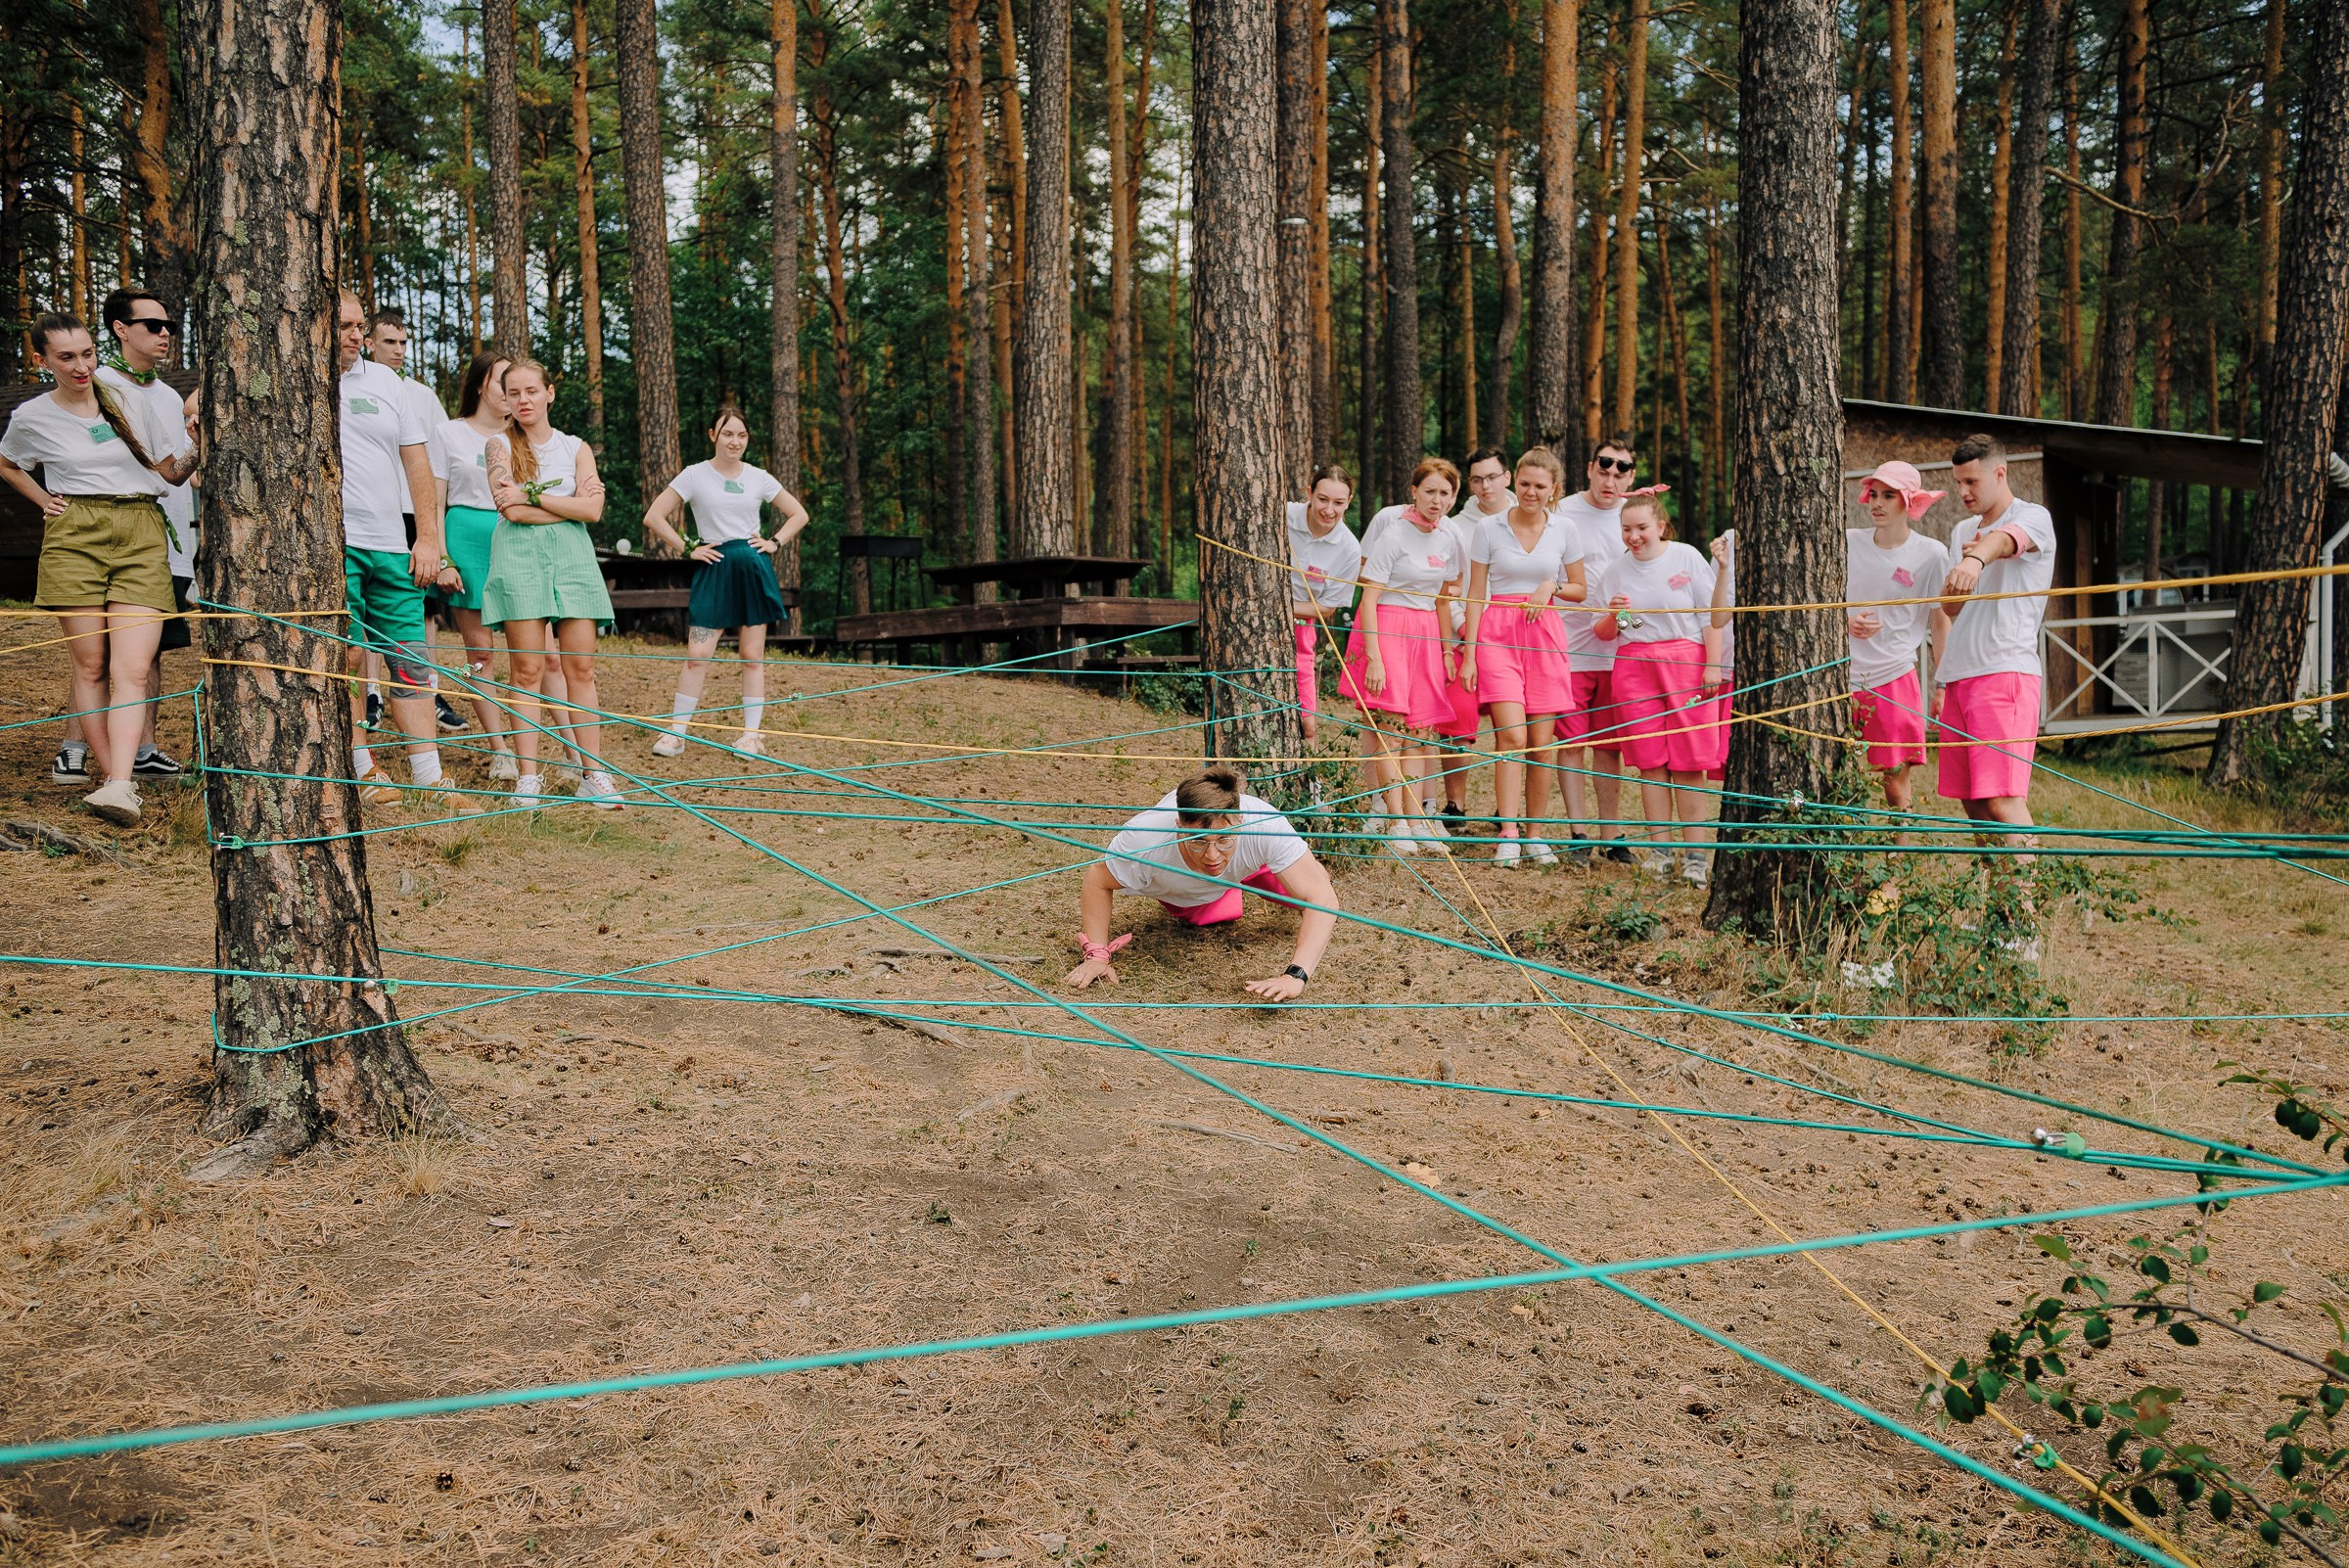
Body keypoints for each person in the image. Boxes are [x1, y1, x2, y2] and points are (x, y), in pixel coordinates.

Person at [0, 312, 198, 825]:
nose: (82, 366)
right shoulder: (31, 417)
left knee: (130, 668)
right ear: (40, 360)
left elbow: (171, 473)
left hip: (139, 526)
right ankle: (117, 783)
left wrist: (199, 440)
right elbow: (7, 462)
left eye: (87, 353)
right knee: (89, 666)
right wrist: (42, 498)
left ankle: (119, 783)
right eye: (66, 357)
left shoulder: (127, 399)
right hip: (76, 532)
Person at [334, 290, 477, 817]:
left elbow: (417, 462)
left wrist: (428, 539)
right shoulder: (298, 377)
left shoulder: (387, 382)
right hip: (334, 545)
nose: (354, 335)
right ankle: (361, 765)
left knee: (411, 661)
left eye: (358, 326)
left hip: (393, 543)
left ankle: (429, 774)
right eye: (344, 325)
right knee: (346, 657)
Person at [1064, 764, 1341, 1002]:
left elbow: (1323, 898)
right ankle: (1225, 895)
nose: (1212, 856)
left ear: (1241, 822)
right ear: (1178, 826)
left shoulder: (1264, 824)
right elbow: (1097, 880)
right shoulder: (1144, 842)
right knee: (1214, 914)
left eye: (1223, 839)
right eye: (1197, 841)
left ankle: (1242, 880)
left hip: (1253, 867)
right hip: (1187, 891)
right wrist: (1097, 956)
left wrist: (1296, 976)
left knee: (1309, 889)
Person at [482, 357, 622, 808]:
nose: (523, 400)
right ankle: (528, 779)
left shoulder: (575, 446)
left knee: (580, 669)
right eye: (514, 393)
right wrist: (567, 503)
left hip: (573, 561)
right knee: (527, 670)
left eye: (531, 391)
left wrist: (534, 494)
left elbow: (594, 512)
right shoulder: (497, 445)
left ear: (549, 394)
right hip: (519, 558)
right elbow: (512, 510)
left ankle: (592, 774)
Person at [641, 405, 811, 759]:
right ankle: (676, 732)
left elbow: (799, 513)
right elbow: (654, 516)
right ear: (713, 435)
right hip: (714, 566)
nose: (735, 441)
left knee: (752, 656)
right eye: (728, 433)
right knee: (697, 655)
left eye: (742, 435)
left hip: (752, 568)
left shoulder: (759, 476)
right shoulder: (694, 475)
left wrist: (774, 542)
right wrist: (688, 547)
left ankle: (751, 736)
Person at [1459, 446, 1587, 866]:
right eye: (1526, 483)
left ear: (1554, 490)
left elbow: (1580, 589)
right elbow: (1476, 593)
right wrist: (1470, 653)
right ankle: (1509, 833)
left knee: (1541, 743)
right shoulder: (1489, 528)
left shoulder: (1565, 529)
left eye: (1541, 486)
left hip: (1545, 635)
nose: (1531, 492)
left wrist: (1550, 586)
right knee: (1511, 737)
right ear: (1515, 480)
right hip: (1498, 634)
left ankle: (1535, 834)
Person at [1593, 490, 1724, 887]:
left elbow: (1710, 617)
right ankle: (1661, 851)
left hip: (1686, 664)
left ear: (1661, 527)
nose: (1634, 536)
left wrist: (1712, 666)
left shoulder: (1685, 557)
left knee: (1688, 761)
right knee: (1650, 761)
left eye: (1642, 528)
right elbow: (1604, 632)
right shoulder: (1615, 571)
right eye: (1626, 529)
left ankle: (1696, 856)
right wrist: (1617, 615)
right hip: (1634, 667)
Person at [94, 287, 196, 783]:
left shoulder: (170, 395)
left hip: (172, 544)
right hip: (121, 539)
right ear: (120, 329)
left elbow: (179, 471)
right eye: (153, 325)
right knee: (100, 651)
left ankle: (145, 750)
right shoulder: (101, 386)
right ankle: (76, 747)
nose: (165, 334)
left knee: (147, 652)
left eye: (169, 327)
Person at [1937, 432, 2056, 851]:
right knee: (1974, 803)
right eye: (1958, 482)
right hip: (1960, 674)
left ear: (2000, 473)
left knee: (2003, 800)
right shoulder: (1961, 530)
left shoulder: (2033, 516)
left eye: (1971, 481)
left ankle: (2024, 910)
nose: (1963, 491)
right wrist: (1957, 583)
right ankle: (1998, 908)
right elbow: (1952, 610)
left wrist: (1976, 557)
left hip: (2004, 672)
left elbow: (2006, 540)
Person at [1346, 457, 1466, 854]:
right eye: (1429, 491)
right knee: (1390, 730)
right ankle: (1394, 819)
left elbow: (1444, 598)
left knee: (1419, 732)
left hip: (1427, 633)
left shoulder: (1448, 538)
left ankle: (1417, 819)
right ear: (1414, 491)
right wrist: (1376, 657)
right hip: (1388, 628)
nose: (1437, 500)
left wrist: (1448, 649)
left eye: (1445, 493)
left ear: (1454, 497)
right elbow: (1370, 598)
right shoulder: (1393, 535)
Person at [363, 308, 465, 736]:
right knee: (367, 604)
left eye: (404, 343)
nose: (399, 350)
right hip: (371, 513)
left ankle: (428, 686)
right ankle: (370, 692)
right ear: (368, 343)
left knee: (420, 609)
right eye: (390, 342)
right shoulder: (354, 386)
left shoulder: (422, 395)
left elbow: (441, 455)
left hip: (413, 514)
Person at [426, 350, 522, 779]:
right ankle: (500, 748)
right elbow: (434, 498)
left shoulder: (523, 436)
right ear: (482, 385)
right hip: (465, 537)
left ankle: (534, 743)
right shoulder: (448, 433)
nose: (512, 393)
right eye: (504, 383)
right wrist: (443, 557)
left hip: (516, 538)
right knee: (480, 652)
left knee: (535, 652)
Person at [1847, 461, 1953, 845]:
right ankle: (1843, 854)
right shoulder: (1847, 541)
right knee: (1835, 770)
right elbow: (1824, 600)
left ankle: (1899, 857)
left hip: (1893, 675)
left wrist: (1943, 683)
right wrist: (1846, 622)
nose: (1876, 503)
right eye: (1873, 494)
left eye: (1888, 496)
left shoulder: (1931, 554)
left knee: (1894, 777)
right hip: (1840, 674)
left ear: (1909, 501)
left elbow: (1940, 622)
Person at [1554, 435, 1638, 861]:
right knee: (1569, 742)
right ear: (1589, 468)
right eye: (1603, 469)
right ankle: (1577, 834)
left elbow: (1643, 581)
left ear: (1631, 478)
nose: (1610, 479)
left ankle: (1613, 836)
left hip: (1618, 650)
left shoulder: (1635, 518)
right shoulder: (1563, 510)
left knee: (1609, 746)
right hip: (1567, 646)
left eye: (1620, 471)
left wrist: (1631, 624)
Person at [1283, 464, 1362, 746]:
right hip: (1259, 626)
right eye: (1323, 499)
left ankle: (1310, 786)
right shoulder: (1282, 515)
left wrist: (1277, 608)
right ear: (1309, 493)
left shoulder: (1349, 549)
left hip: (1303, 628)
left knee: (1307, 722)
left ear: (1349, 501)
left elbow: (1326, 608)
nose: (1329, 509)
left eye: (1339, 503)